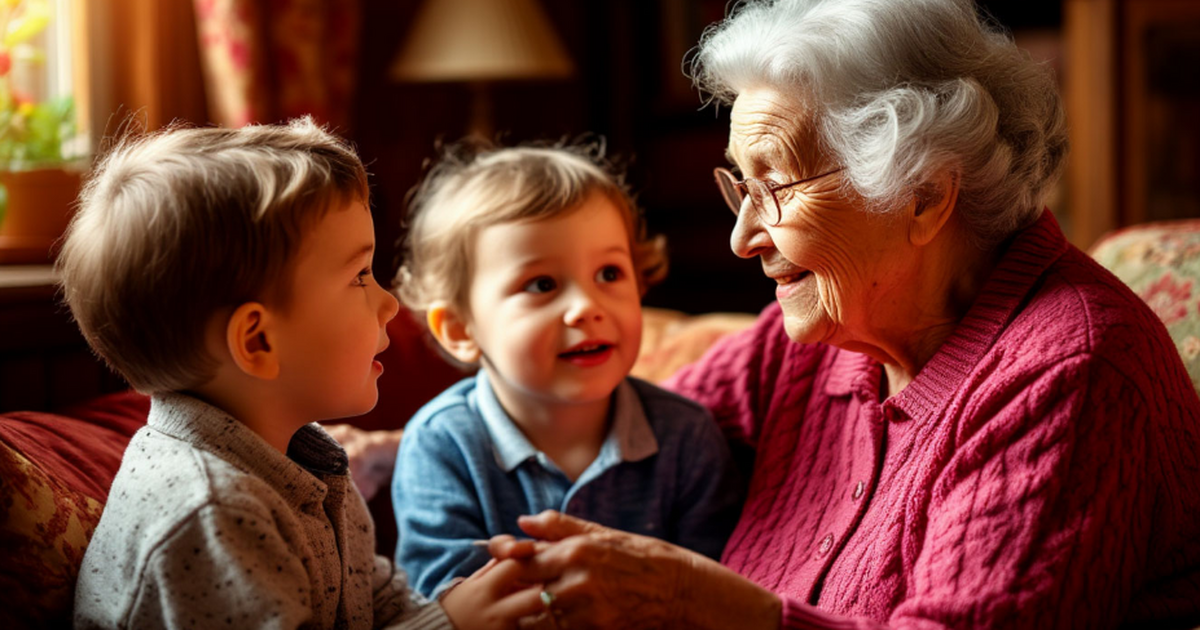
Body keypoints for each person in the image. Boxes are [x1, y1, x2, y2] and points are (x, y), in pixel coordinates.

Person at [478, 0, 1200, 628]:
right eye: (741, 188)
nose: (742, 238)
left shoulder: (1070, 373)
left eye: (775, 187)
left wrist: (694, 603)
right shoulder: (816, 339)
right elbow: (610, 442)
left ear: (922, 194)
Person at [61, 118, 545, 630]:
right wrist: (450, 624)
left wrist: (480, 599)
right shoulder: (212, 512)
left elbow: (377, 602)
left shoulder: (307, 460)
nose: (389, 303)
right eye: (360, 276)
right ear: (258, 341)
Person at [389, 142, 744, 598]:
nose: (586, 307)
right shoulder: (442, 444)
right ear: (460, 328)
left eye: (609, 274)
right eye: (542, 284)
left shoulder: (686, 436)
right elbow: (441, 605)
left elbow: (717, 589)